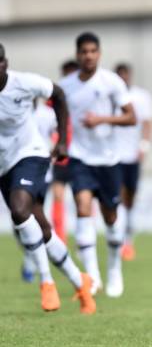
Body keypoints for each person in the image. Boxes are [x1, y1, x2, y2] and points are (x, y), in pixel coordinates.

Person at [0, 43, 96, 314]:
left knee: (19, 210)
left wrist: (64, 140)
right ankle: (81, 282)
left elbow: (60, 94)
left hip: (32, 154)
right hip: (4, 167)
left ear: (5, 63)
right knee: (40, 228)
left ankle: (46, 282)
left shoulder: (23, 83)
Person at [59, 32, 136, 297]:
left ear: (99, 54)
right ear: (78, 54)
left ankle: (114, 268)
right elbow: (57, 117)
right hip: (79, 157)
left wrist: (102, 119)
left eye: (93, 51)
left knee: (110, 216)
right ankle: (92, 277)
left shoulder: (111, 82)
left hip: (108, 160)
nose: (88, 56)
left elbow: (131, 117)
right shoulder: (66, 86)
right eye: (84, 51)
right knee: (82, 207)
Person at [114, 62, 152, 261]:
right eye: (120, 75)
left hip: (133, 155)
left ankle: (128, 237)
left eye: (126, 74)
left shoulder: (141, 96)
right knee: (119, 197)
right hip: (114, 156)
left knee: (130, 197)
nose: (123, 78)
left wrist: (144, 146)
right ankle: (121, 242)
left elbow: (147, 122)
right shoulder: (111, 95)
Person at [50, 59, 79, 243]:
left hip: (79, 156)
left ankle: (83, 237)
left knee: (82, 198)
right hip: (61, 155)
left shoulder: (84, 95)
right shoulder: (55, 97)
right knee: (58, 196)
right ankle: (61, 237)